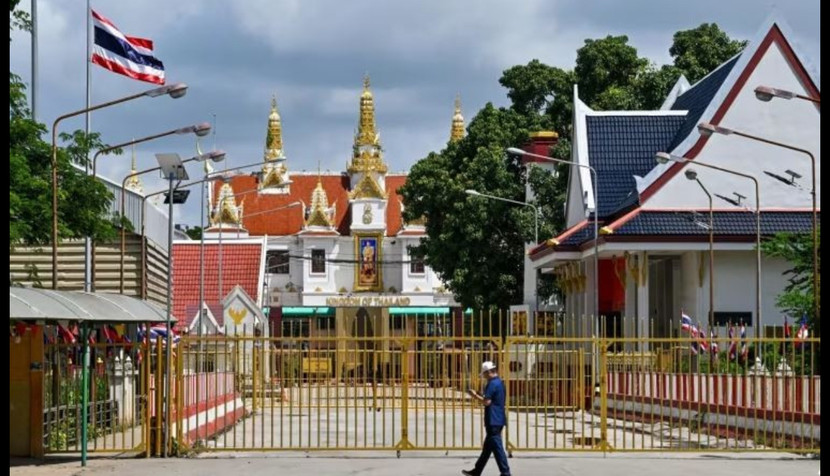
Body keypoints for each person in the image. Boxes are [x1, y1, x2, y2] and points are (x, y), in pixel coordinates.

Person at [463, 361, 511, 476]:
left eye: (484, 374)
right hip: (498, 418)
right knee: (488, 448)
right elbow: (492, 398)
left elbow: (487, 402)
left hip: (493, 420)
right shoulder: (499, 382)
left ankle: (505, 472)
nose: (483, 377)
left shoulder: (491, 384)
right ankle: (477, 470)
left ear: (489, 372)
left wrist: (474, 395)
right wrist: (480, 394)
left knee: (497, 448)